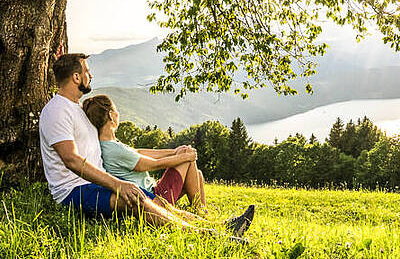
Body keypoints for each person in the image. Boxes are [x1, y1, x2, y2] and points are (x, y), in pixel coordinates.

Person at [38, 53, 254, 238]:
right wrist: (117, 184)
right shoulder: (57, 110)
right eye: (87, 71)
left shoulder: (76, 109)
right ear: (76, 77)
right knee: (136, 199)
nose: (90, 75)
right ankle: (209, 237)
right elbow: (72, 160)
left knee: (158, 204)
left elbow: (117, 147)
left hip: (93, 184)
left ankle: (222, 227)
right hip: (74, 191)